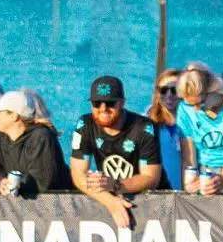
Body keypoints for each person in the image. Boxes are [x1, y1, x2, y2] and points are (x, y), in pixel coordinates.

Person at [69, 75, 162, 227]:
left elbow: (151, 177)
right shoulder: (84, 124)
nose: (103, 108)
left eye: (110, 103)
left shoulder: (144, 127)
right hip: (110, 198)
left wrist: (116, 185)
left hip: (148, 202)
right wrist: (110, 201)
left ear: (122, 103)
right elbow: (78, 174)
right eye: (97, 103)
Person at [0, 89, 71, 196]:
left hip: (56, 208)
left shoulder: (41, 137)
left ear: (14, 116)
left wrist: (16, 184)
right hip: (15, 208)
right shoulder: (1, 137)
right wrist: (0, 182)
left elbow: (42, 182)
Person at [175, 63, 223, 193]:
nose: (195, 109)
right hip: (204, 170)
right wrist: (189, 184)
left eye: (199, 103)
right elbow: (188, 155)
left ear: (212, 90)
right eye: (190, 104)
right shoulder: (184, 109)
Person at [146, 67, 183, 190]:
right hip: (158, 196)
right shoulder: (146, 123)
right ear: (157, 93)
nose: (169, 95)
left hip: (190, 197)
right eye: (163, 90)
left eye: (175, 90)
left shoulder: (195, 123)